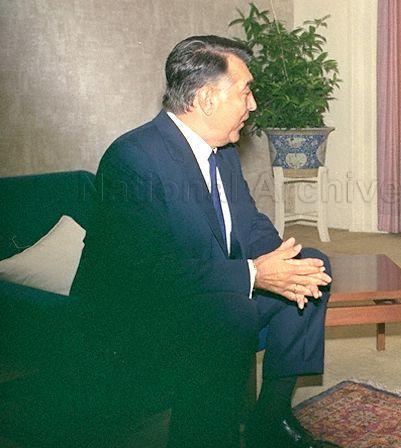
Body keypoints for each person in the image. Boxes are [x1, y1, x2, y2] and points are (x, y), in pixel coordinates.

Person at [72, 35, 337, 448]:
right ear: (207, 99)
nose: (253, 105)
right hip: (140, 314)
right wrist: (254, 274)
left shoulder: (221, 150)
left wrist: (281, 261)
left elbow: (248, 223)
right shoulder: (134, 159)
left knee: (313, 266)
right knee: (228, 312)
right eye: (245, 92)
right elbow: (149, 271)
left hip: (206, 289)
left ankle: (271, 417)